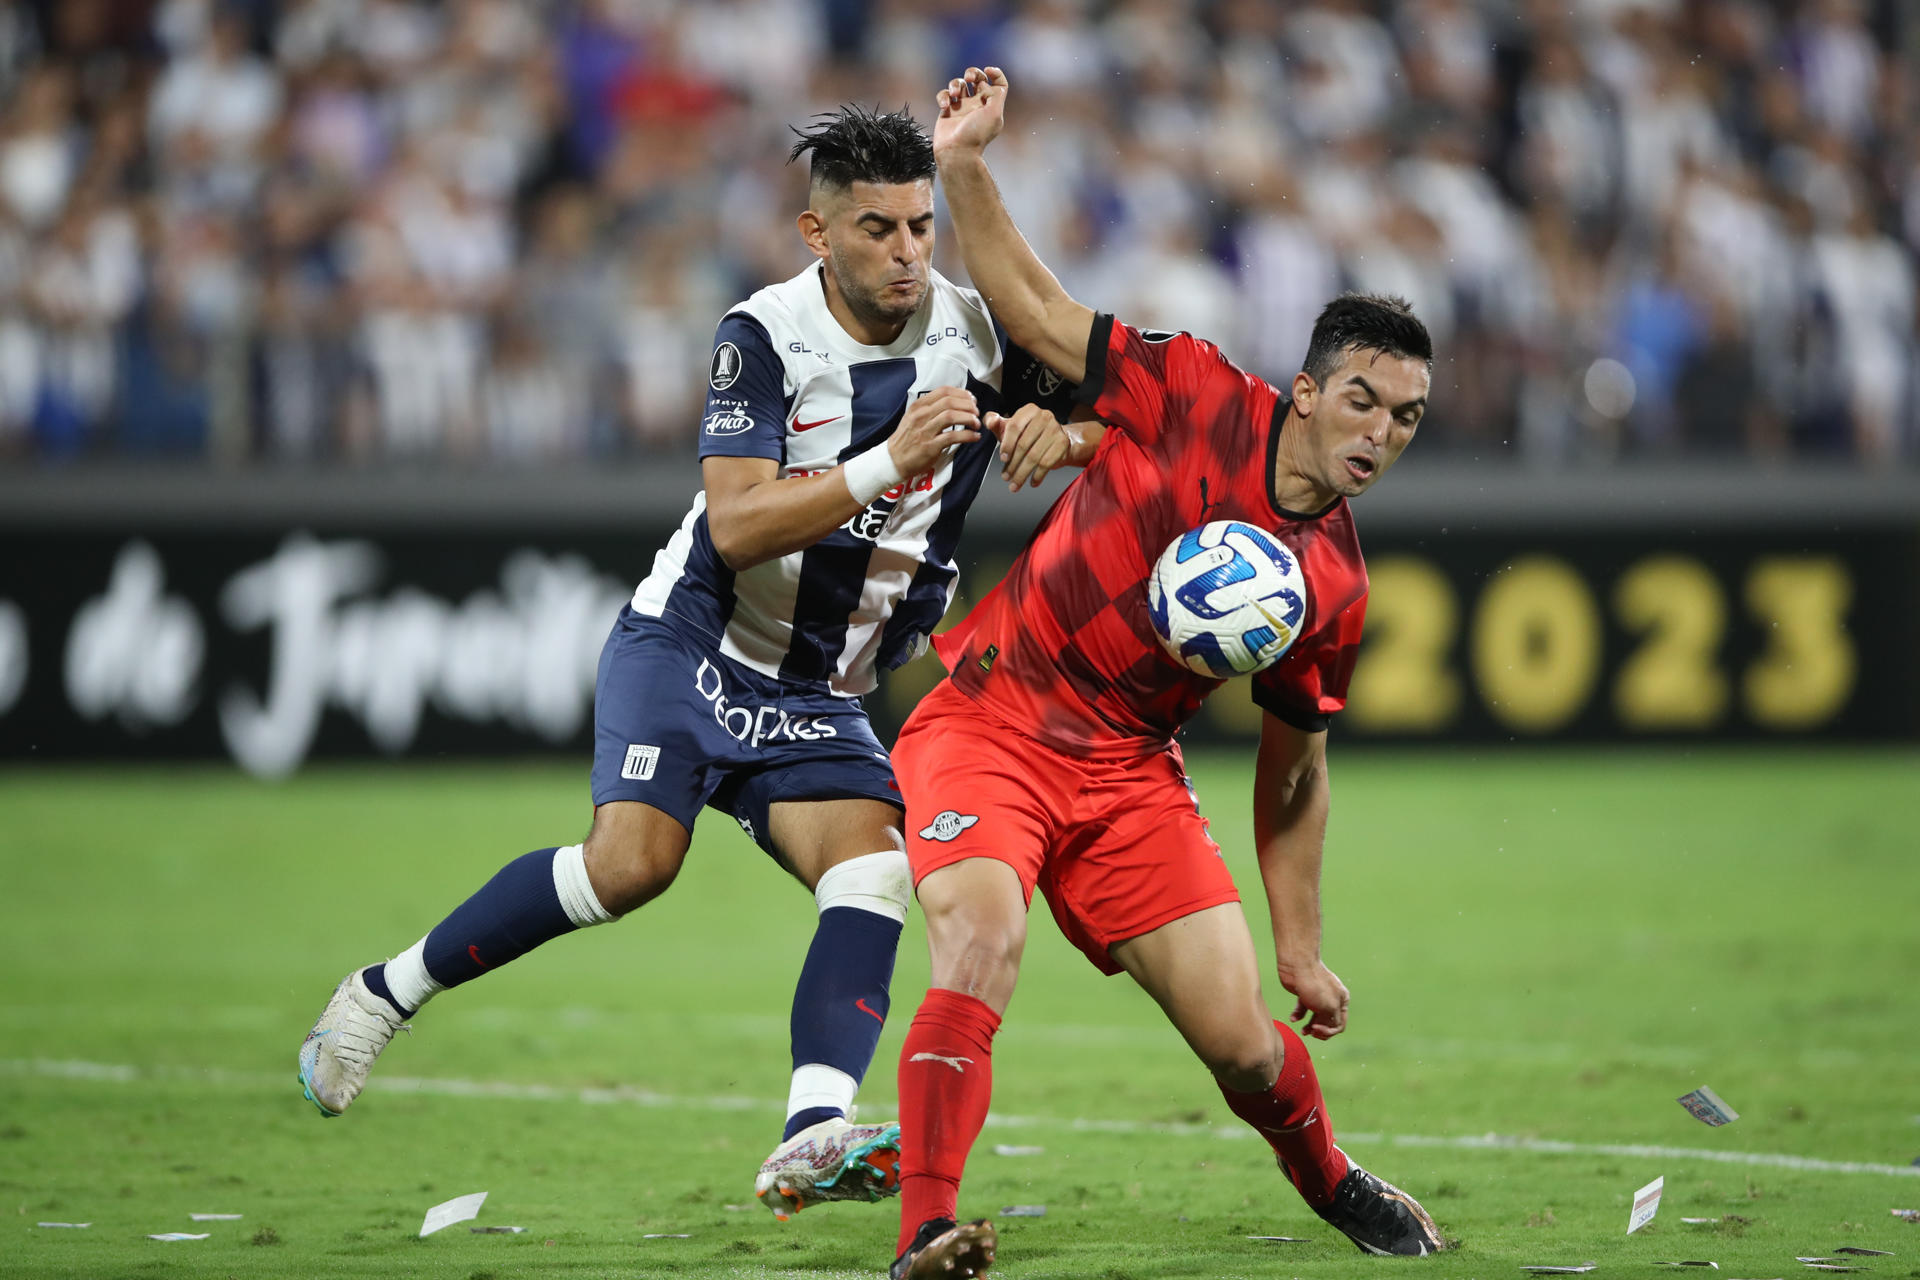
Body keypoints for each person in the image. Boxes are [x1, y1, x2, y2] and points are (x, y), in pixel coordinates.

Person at [296, 105, 1095, 1220]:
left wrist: (1062, 435)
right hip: (696, 643)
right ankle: (387, 989)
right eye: (878, 229)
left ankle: (811, 1127)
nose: (909, 252)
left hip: (818, 689)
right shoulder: (761, 335)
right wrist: (885, 461)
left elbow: (1114, 413)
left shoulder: (977, 333)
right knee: (631, 867)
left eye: (921, 226)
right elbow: (733, 527)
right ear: (817, 233)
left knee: (874, 871)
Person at [882, 67, 1449, 1280]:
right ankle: (925, 1230)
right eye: (1363, 400)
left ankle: (1335, 1177)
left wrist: (1301, 944)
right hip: (993, 718)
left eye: (1406, 418)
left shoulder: (1336, 586)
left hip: (1129, 773)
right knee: (979, 946)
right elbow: (1037, 315)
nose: (1379, 434)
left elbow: (1296, 770)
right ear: (1307, 390)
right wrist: (965, 166)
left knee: (1246, 1045)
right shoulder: (1195, 390)